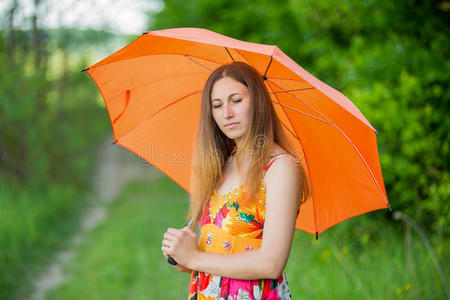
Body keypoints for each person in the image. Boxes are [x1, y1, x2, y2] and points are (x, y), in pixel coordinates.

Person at [161, 61, 310, 299]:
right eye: (217, 105)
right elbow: (218, 254)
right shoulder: (223, 164)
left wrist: (194, 258)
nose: (226, 113)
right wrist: (182, 255)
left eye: (236, 100)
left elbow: (271, 263)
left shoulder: (280, 168)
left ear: (258, 103)